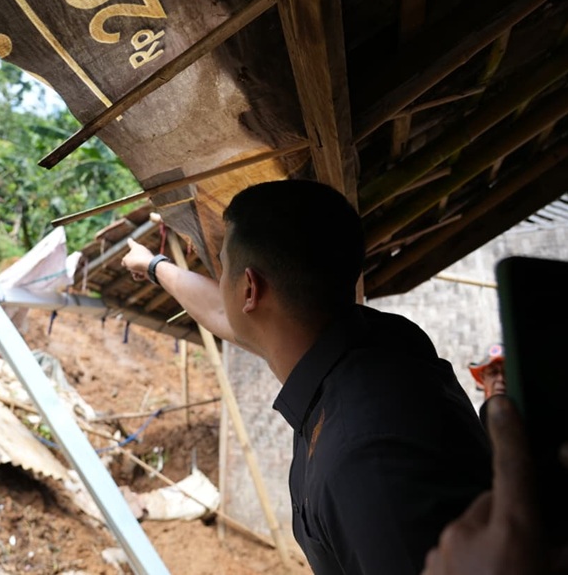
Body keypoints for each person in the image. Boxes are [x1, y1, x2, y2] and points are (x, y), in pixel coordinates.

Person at [122, 180, 492, 575]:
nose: (220, 279)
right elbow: (221, 312)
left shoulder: (367, 457)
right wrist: (153, 265)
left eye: (224, 265)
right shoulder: (377, 345)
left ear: (250, 288)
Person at [422, 343, 568, 575]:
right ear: (482, 382)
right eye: (492, 372)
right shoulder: (465, 431)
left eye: (505, 371)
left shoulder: (546, 430)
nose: (500, 378)